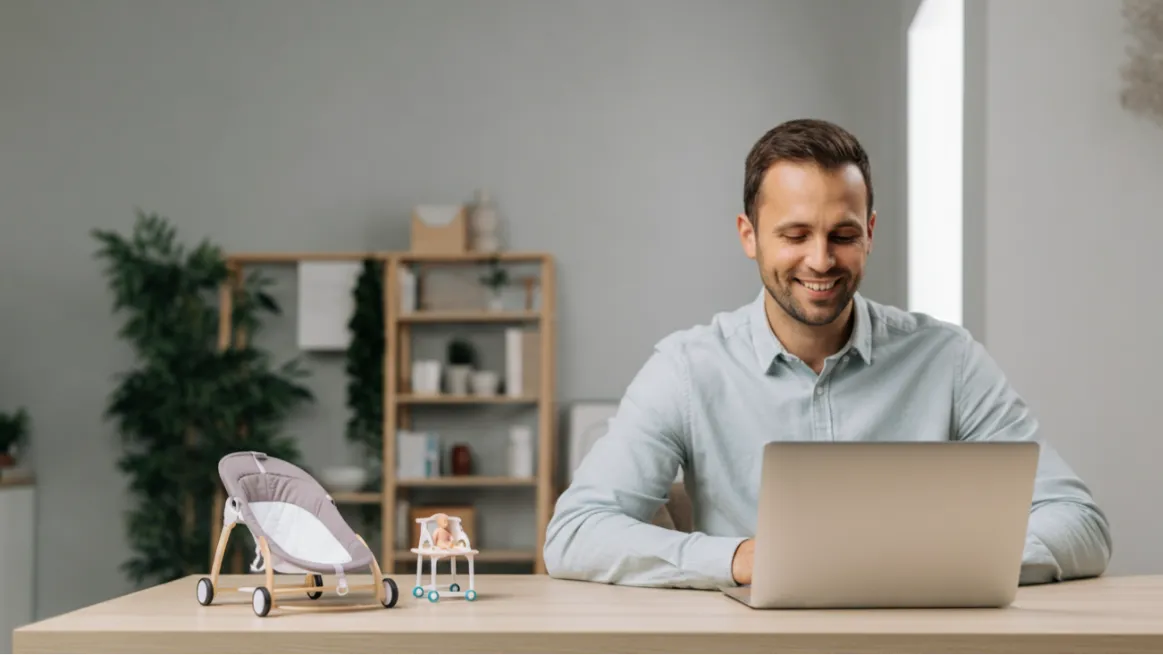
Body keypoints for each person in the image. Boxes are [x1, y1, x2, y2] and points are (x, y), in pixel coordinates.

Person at [542, 118, 1112, 590]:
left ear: (870, 232)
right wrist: (739, 559)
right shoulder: (687, 368)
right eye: (794, 236)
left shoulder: (948, 360)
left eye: (842, 235)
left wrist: (943, 563)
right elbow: (575, 532)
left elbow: (1080, 524)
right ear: (749, 235)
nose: (820, 260)